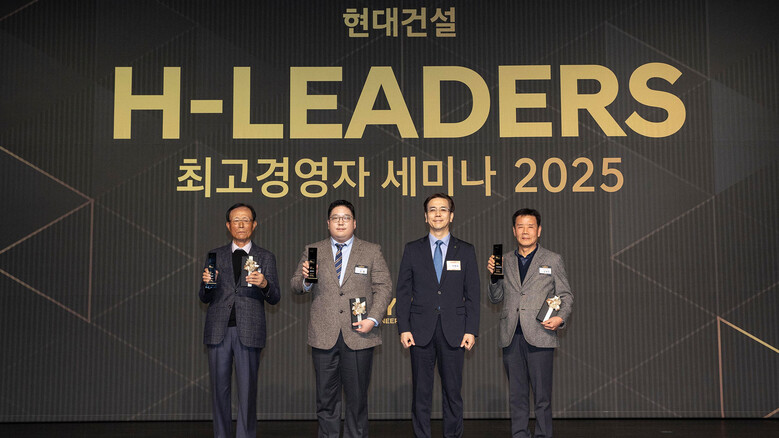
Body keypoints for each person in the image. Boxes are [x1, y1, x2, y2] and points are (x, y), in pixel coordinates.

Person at [290, 200, 393, 438]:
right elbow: (295, 285)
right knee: (326, 398)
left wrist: (373, 319)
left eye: (346, 217)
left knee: (357, 399)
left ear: (354, 223)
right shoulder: (313, 250)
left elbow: (384, 287)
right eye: (335, 217)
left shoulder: (371, 250)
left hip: (359, 333)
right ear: (328, 223)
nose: (340, 222)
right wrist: (306, 281)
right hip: (323, 334)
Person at [396, 193, 480, 438]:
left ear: (451, 216)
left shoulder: (466, 250)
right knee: (421, 393)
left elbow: (473, 294)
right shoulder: (412, 249)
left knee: (453, 393)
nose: (438, 214)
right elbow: (403, 293)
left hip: (455, 330)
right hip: (420, 330)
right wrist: (404, 328)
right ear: (425, 216)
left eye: (443, 209)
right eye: (432, 209)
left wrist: (471, 330)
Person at [487, 208, 573, 438]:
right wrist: (494, 277)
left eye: (530, 226)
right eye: (520, 227)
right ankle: (519, 434)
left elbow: (565, 295)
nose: (525, 231)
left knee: (542, 396)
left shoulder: (552, 259)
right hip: (511, 336)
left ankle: (543, 435)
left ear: (539, 230)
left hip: (540, 334)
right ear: (514, 230)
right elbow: (495, 298)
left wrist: (560, 318)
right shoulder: (504, 260)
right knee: (517, 395)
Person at [199, 203, 281, 438]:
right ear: (228, 226)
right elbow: (204, 297)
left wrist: (264, 284)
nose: (241, 224)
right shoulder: (214, 255)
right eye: (236, 220)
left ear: (254, 225)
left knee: (247, 393)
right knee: (219, 392)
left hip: (249, 331)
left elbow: (275, 297)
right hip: (218, 331)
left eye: (246, 220)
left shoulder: (265, 256)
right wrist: (208, 284)